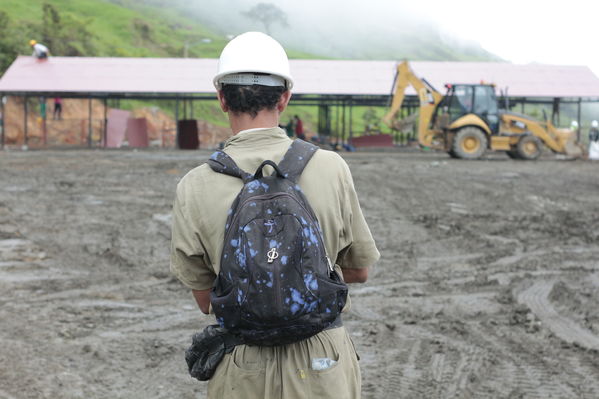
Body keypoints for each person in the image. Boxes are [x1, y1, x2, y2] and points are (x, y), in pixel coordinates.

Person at [170, 32, 379, 398]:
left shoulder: (195, 185)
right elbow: (358, 270)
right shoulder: (331, 167)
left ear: (221, 98)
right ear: (284, 97)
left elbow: (206, 300)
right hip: (322, 361)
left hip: (242, 366)